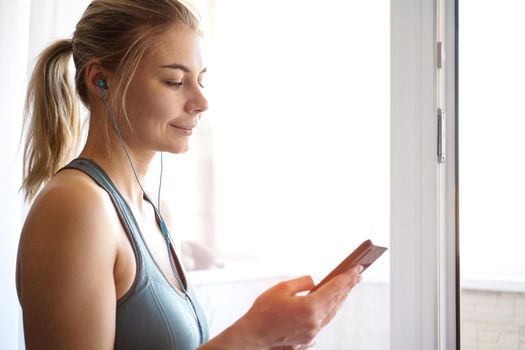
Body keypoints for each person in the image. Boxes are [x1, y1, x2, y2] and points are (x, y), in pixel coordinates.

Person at [15, 1, 363, 349]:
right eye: (174, 80)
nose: (201, 101)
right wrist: (250, 334)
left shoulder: (157, 212)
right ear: (100, 80)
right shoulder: (76, 207)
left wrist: (269, 341)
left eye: (201, 80)